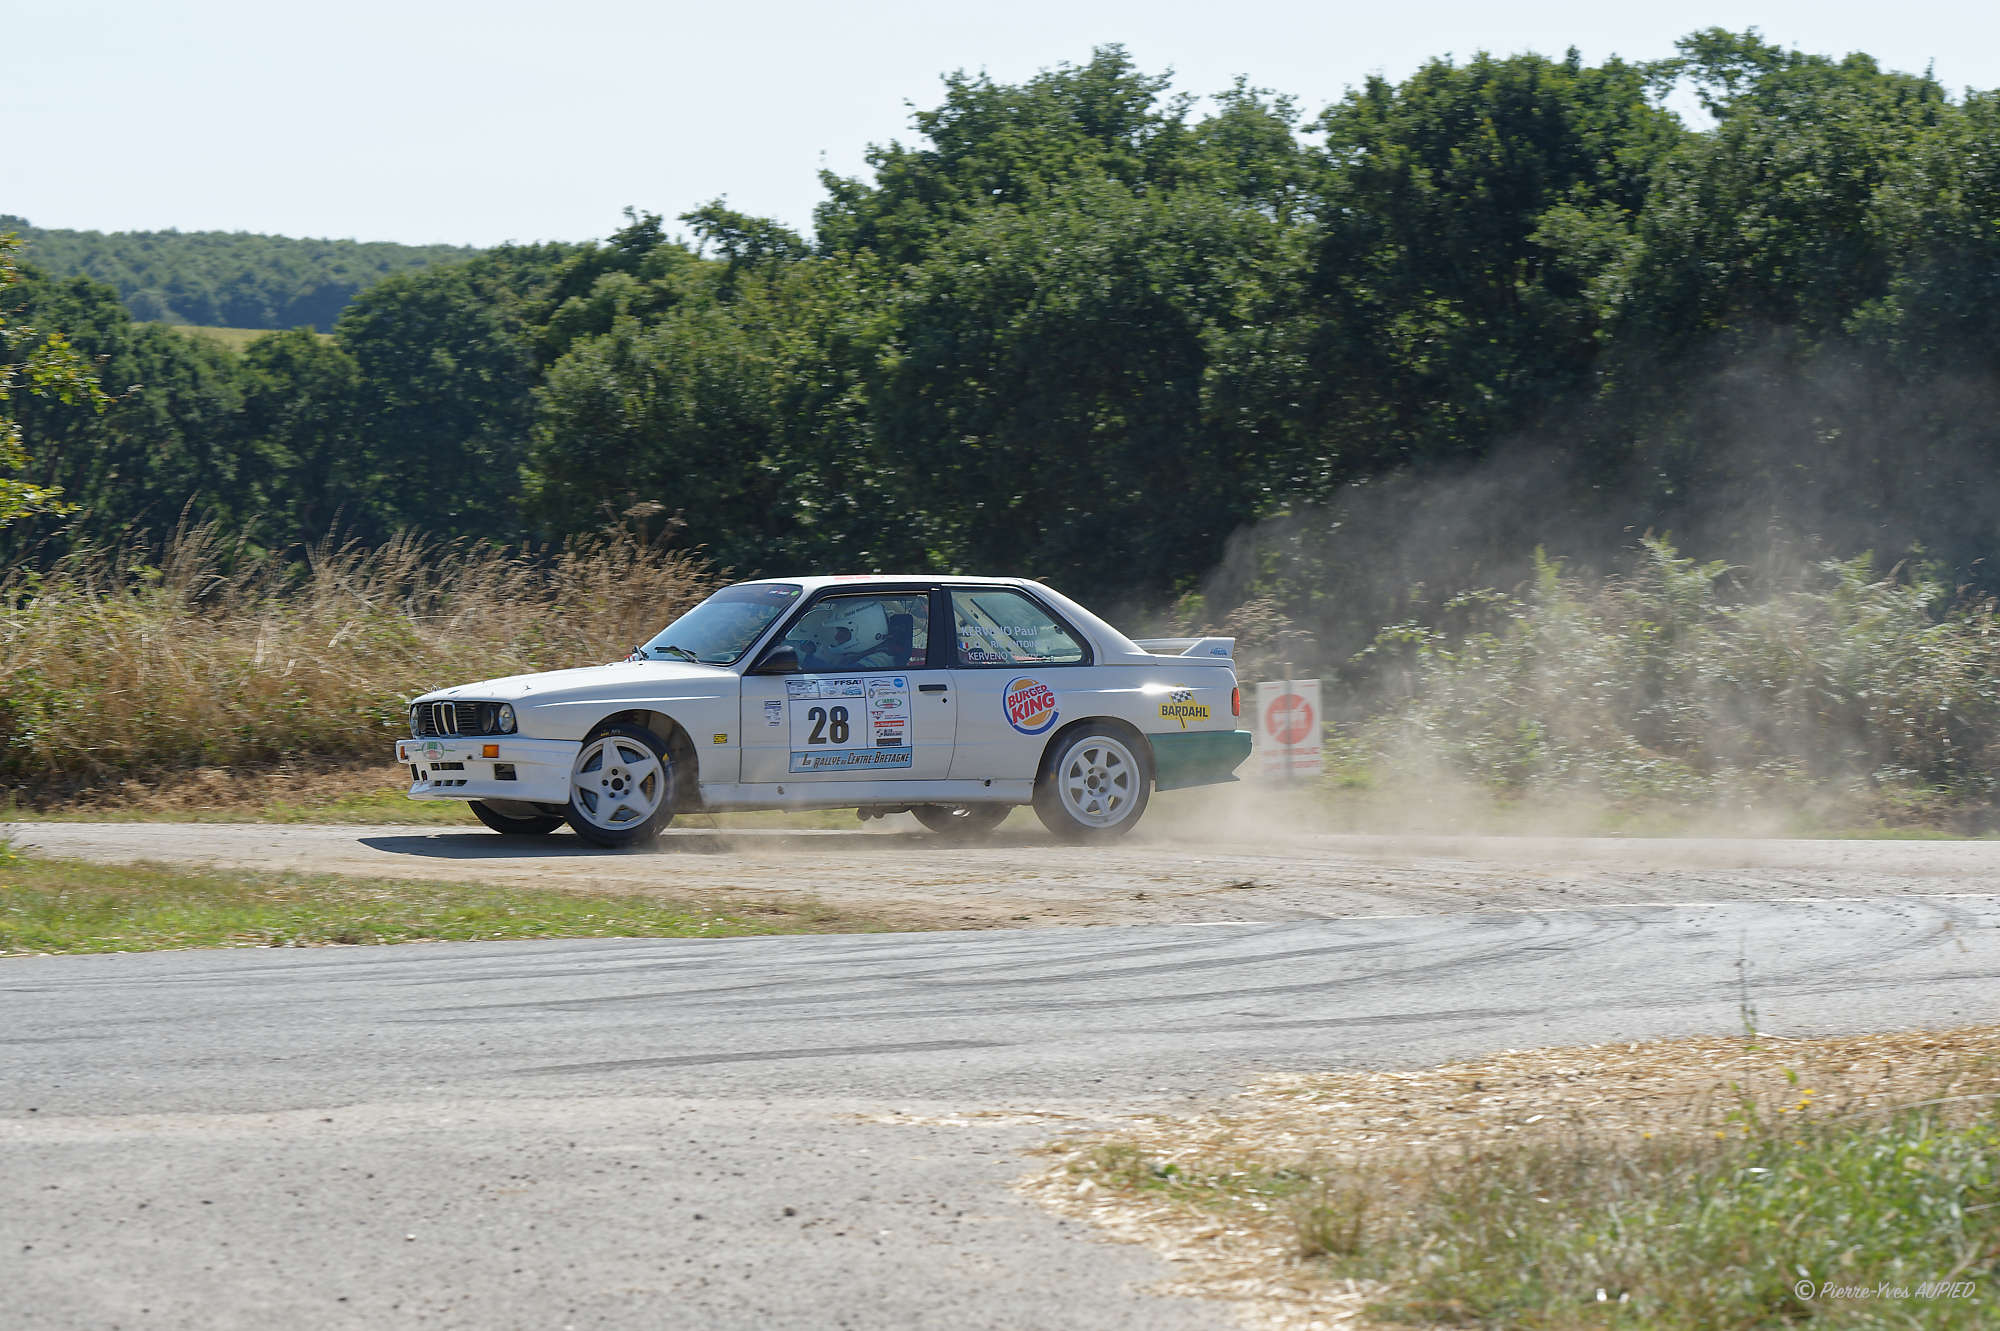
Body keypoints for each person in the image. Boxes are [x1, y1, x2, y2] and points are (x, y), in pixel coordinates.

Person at [794, 598, 898, 672]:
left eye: (843, 631)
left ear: (865, 630)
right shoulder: (853, 654)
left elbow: (839, 679)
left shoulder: (880, 660)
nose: (837, 637)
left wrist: (809, 658)